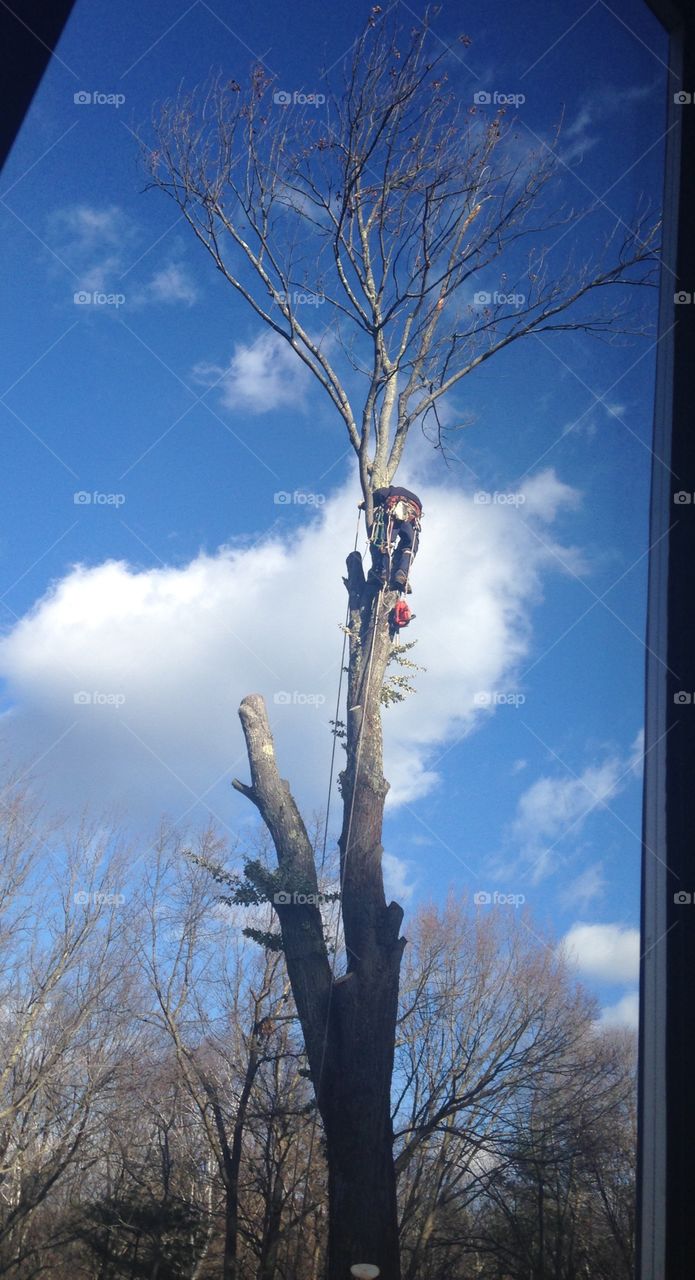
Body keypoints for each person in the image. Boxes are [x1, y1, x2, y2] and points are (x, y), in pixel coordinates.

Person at [359, 485, 423, 591]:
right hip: (411, 518)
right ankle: (401, 574)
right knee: (408, 547)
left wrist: (364, 505)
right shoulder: (416, 499)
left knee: (386, 541)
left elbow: (377, 497)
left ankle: (382, 572)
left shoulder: (390, 490)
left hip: (393, 513)